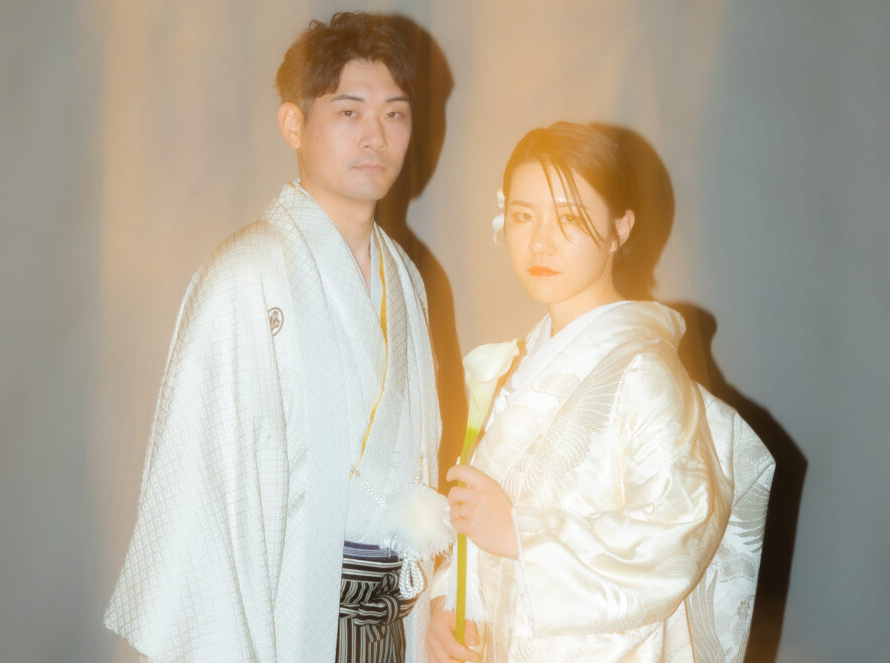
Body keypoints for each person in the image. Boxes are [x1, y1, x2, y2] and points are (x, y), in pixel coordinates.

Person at [104, 12, 442, 662]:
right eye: (350, 112)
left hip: (391, 623)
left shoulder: (405, 281)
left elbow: (417, 462)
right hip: (289, 612)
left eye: (395, 114)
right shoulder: (246, 275)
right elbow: (201, 488)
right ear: (294, 123)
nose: (376, 136)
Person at [426, 122, 775, 662]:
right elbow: (482, 517)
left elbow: (674, 536)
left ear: (620, 228)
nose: (540, 242)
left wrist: (521, 536)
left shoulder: (644, 372)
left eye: (569, 218)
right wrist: (449, 604)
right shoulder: (519, 364)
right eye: (523, 216)